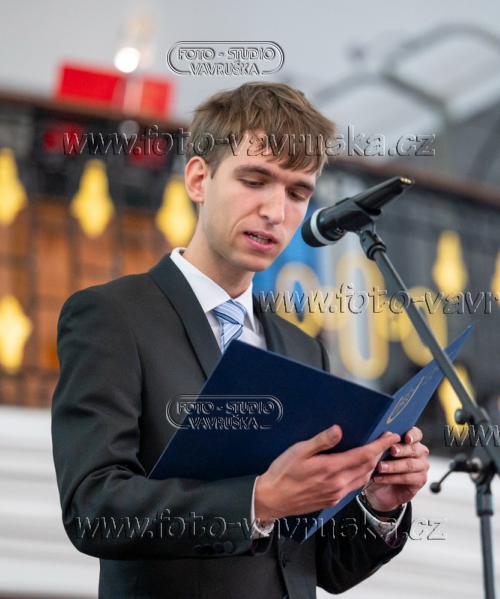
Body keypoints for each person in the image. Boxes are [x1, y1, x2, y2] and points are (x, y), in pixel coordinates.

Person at [51, 81, 431, 599]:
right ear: (198, 179)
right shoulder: (113, 317)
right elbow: (94, 508)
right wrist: (258, 501)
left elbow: (318, 564)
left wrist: (379, 505)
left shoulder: (303, 348)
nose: (276, 211)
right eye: (255, 180)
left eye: (298, 193)